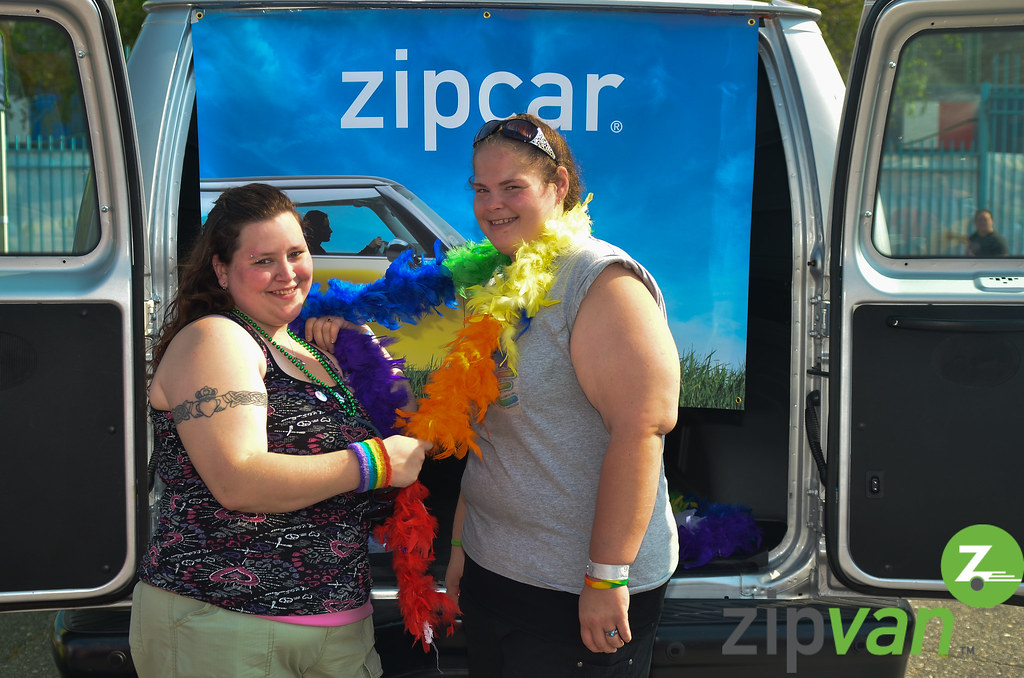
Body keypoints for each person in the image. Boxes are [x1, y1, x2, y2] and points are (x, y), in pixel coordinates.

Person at [129, 183, 432, 678]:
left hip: (341, 627)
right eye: (263, 260)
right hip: (227, 627)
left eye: (295, 253)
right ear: (222, 270)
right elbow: (239, 481)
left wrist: (363, 345)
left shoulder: (313, 350)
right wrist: (374, 463)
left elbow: (409, 432)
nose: (287, 273)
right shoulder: (217, 338)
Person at [447, 114, 681, 675]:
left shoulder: (599, 279)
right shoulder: (493, 282)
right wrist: (460, 550)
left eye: (512, 187)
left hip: (574, 589)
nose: (492, 205)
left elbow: (642, 428)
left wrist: (607, 576)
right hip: (493, 570)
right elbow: (489, 435)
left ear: (558, 186)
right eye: (480, 189)